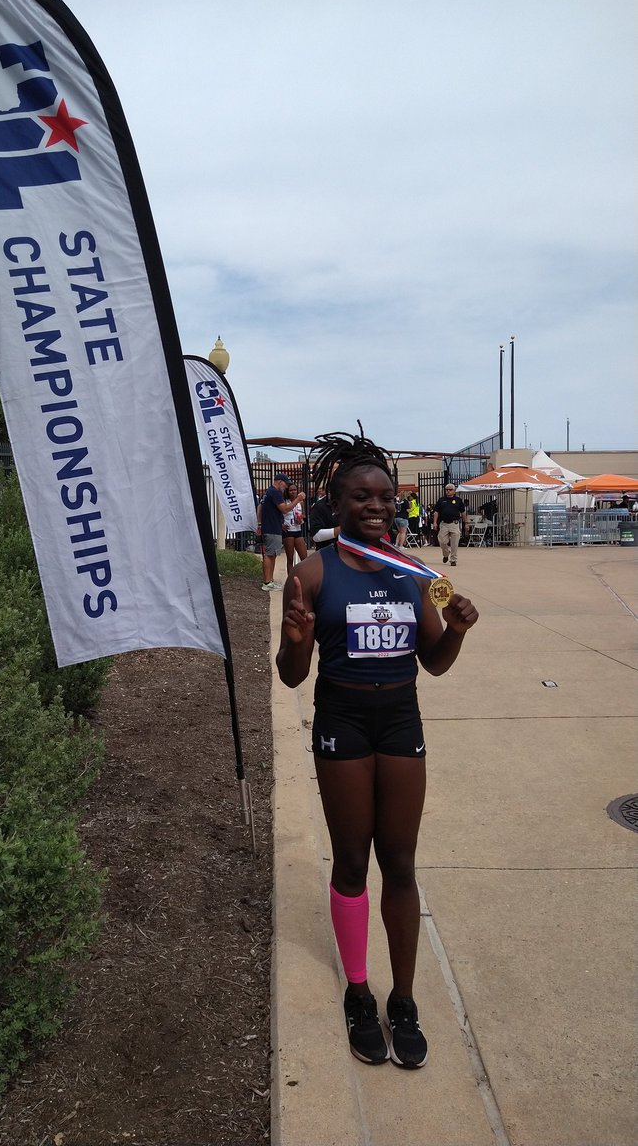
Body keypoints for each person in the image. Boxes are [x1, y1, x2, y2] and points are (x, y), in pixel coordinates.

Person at [276, 427, 478, 1069]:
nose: (377, 507)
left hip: (399, 721)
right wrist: (298, 638)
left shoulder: (417, 576)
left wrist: (457, 630)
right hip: (342, 721)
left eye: (386, 498)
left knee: (401, 860)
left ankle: (404, 999)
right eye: (361, 497)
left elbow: (436, 663)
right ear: (335, 504)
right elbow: (290, 676)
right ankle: (359, 992)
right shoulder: (313, 573)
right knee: (352, 862)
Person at [256, 473, 305, 591]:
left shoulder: (269, 492)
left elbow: (260, 508)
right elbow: (284, 509)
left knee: (271, 554)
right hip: (272, 528)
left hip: (272, 527)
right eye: (285, 484)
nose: (286, 487)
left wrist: (260, 524)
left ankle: (270, 581)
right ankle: (267, 582)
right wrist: (298, 499)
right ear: (279, 482)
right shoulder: (275, 492)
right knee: (270, 554)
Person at [431, 482, 468, 566]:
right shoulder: (441, 500)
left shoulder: (458, 500)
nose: (448, 491)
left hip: (454, 524)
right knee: (442, 541)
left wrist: (466, 523)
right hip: (444, 524)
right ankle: (446, 554)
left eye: (450, 490)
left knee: (454, 543)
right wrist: (435, 522)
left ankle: (453, 560)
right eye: (446, 490)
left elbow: (463, 512)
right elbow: (436, 512)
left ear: (454, 491)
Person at [281, 483, 308, 570]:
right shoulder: (285, 502)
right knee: (290, 559)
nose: (293, 492)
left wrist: (301, 517)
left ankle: (304, 578)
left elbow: (304, 515)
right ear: (288, 492)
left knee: (304, 557)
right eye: (291, 490)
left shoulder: (301, 503)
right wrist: (281, 525)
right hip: (288, 531)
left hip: (298, 530)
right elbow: (279, 515)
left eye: (294, 490)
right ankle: (291, 580)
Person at [310, 484, 341, 549]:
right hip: (327, 551)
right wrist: (339, 530)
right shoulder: (319, 507)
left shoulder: (349, 504)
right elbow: (316, 536)